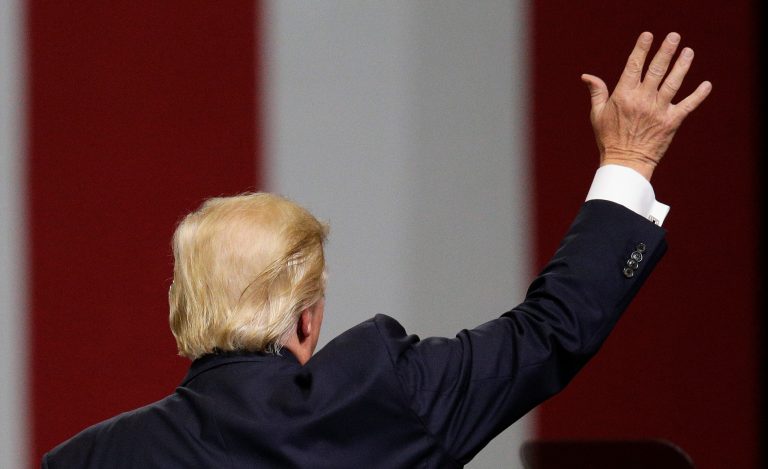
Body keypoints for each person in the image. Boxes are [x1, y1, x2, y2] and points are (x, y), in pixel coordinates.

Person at [43, 32, 711, 468]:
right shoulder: (379, 394)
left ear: (181, 309)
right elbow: (549, 331)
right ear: (306, 319)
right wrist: (628, 159)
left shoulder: (90, 459)